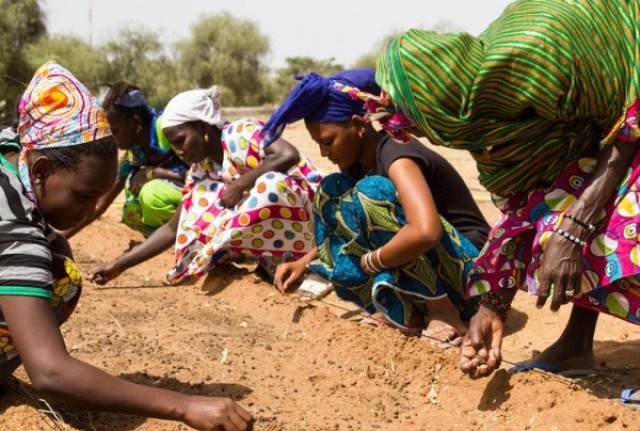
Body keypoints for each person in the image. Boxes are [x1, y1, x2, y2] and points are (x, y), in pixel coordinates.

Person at [373, 0, 640, 377]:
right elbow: (526, 202)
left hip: (632, 87)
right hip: (610, 112)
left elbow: (629, 124)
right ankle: (575, 347)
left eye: (418, 123)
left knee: (616, 212)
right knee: (563, 207)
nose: (418, 136)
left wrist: (575, 228)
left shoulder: (541, 54)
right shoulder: (491, 104)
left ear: (443, 102)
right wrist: (493, 306)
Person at [0, 61, 253, 431]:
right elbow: (50, 373)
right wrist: (183, 405)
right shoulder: (16, 224)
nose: (89, 213)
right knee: (60, 279)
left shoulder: (12, 149)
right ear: (41, 170)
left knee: (56, 253)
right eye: (83, 197)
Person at [267, 69, 489, 344]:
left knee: (372, 193)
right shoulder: (357, 165)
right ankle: (402, 312)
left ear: (359, 124)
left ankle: (443, 312)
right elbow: (343, 228)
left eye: (328, 141)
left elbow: (425, 231)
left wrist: (370, 261)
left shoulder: (396, 155)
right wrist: (303, 262)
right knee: (330, 192)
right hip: (440, 270)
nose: (325, 153)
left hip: (476, 276)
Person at [90, 85, 322, 285]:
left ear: (202, 128)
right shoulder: (202, 169)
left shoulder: (239, 133)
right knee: (201, 199)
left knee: (271, 185)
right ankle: (273, 262)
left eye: (181, 141)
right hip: (288, 234)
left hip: (315, 220)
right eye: (174, 144)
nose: (179, 151)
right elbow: (172, 228)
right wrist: (119, 265)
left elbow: (288, 154)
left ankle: (313, 260)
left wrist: (241, 183)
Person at [63, 82, 187, 239]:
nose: (112, 139)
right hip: (183, 197)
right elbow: (100, 205)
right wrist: (59, 238)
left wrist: (152, 172)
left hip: (204, 195)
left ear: (135, 122)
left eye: (114, 131)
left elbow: (202, 172)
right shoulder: (133, 154)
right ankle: (170, 244)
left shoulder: (164, 128)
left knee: (151, 194)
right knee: (132, 207)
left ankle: (194, 241)